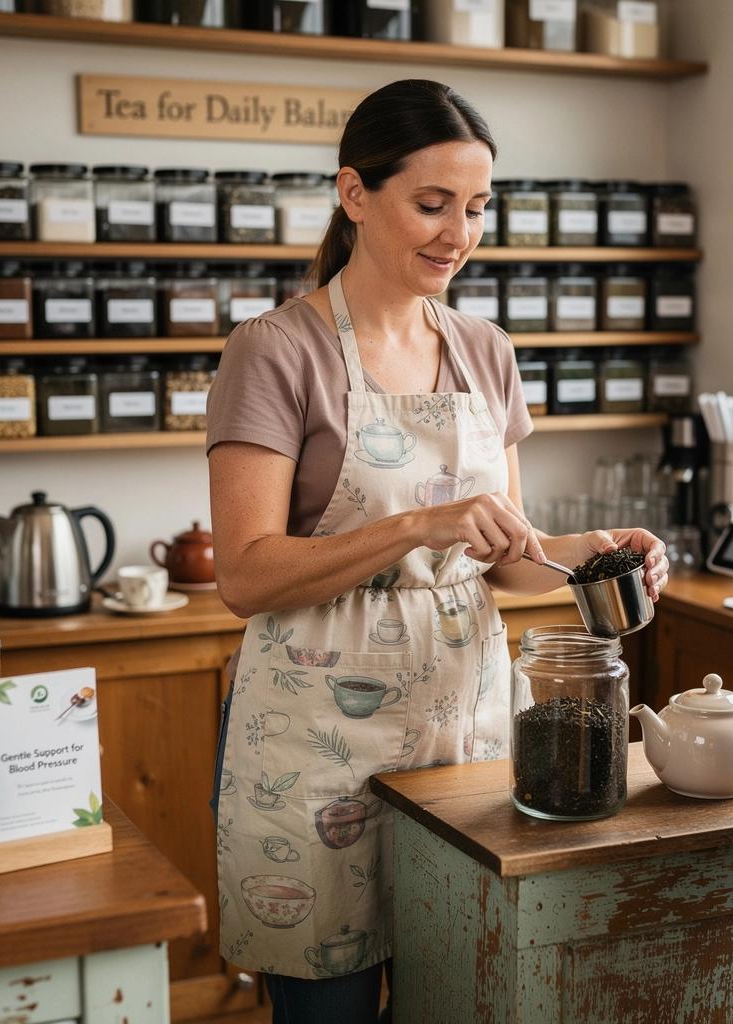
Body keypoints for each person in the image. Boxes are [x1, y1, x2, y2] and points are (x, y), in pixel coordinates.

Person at [205, 79, 668, 1023]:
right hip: (310, 744)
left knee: (465, 989)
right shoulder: (275, 351)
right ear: (354, 194)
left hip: (463, 729)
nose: (457, 233)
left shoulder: (485, 350)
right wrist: (420, 523)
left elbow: (507, 552)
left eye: (476, 208)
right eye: (431, 203)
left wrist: (598, 550)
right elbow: (245, 573)